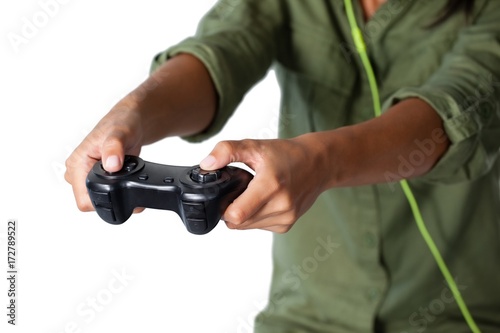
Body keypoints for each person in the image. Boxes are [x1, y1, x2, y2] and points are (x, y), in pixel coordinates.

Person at [65, 0, 500, 331]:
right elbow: (225, 46)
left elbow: (460, 107)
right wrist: (133, 114)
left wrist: (322, 162)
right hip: (305, 315)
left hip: (458, 312)